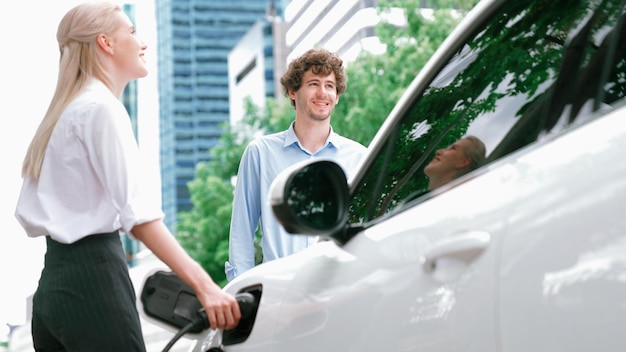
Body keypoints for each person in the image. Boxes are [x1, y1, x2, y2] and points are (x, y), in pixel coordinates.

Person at [14, 3, 240, 351]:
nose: (142, 44)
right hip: (95, 279)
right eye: (132, 33)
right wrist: (205, 286)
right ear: (105, 42)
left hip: (52, 290)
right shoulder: (101, 108)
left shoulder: (61, 117)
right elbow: (140, 218)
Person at [225, 48, 367, 281]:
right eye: (313, 83)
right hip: (279, 288)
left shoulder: (358, 157)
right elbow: (241, 230)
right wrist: (243, 291)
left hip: (339, 286)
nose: (323, 93)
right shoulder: (260, 153)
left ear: (337, 95)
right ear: (293, 92)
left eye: (330, 86)